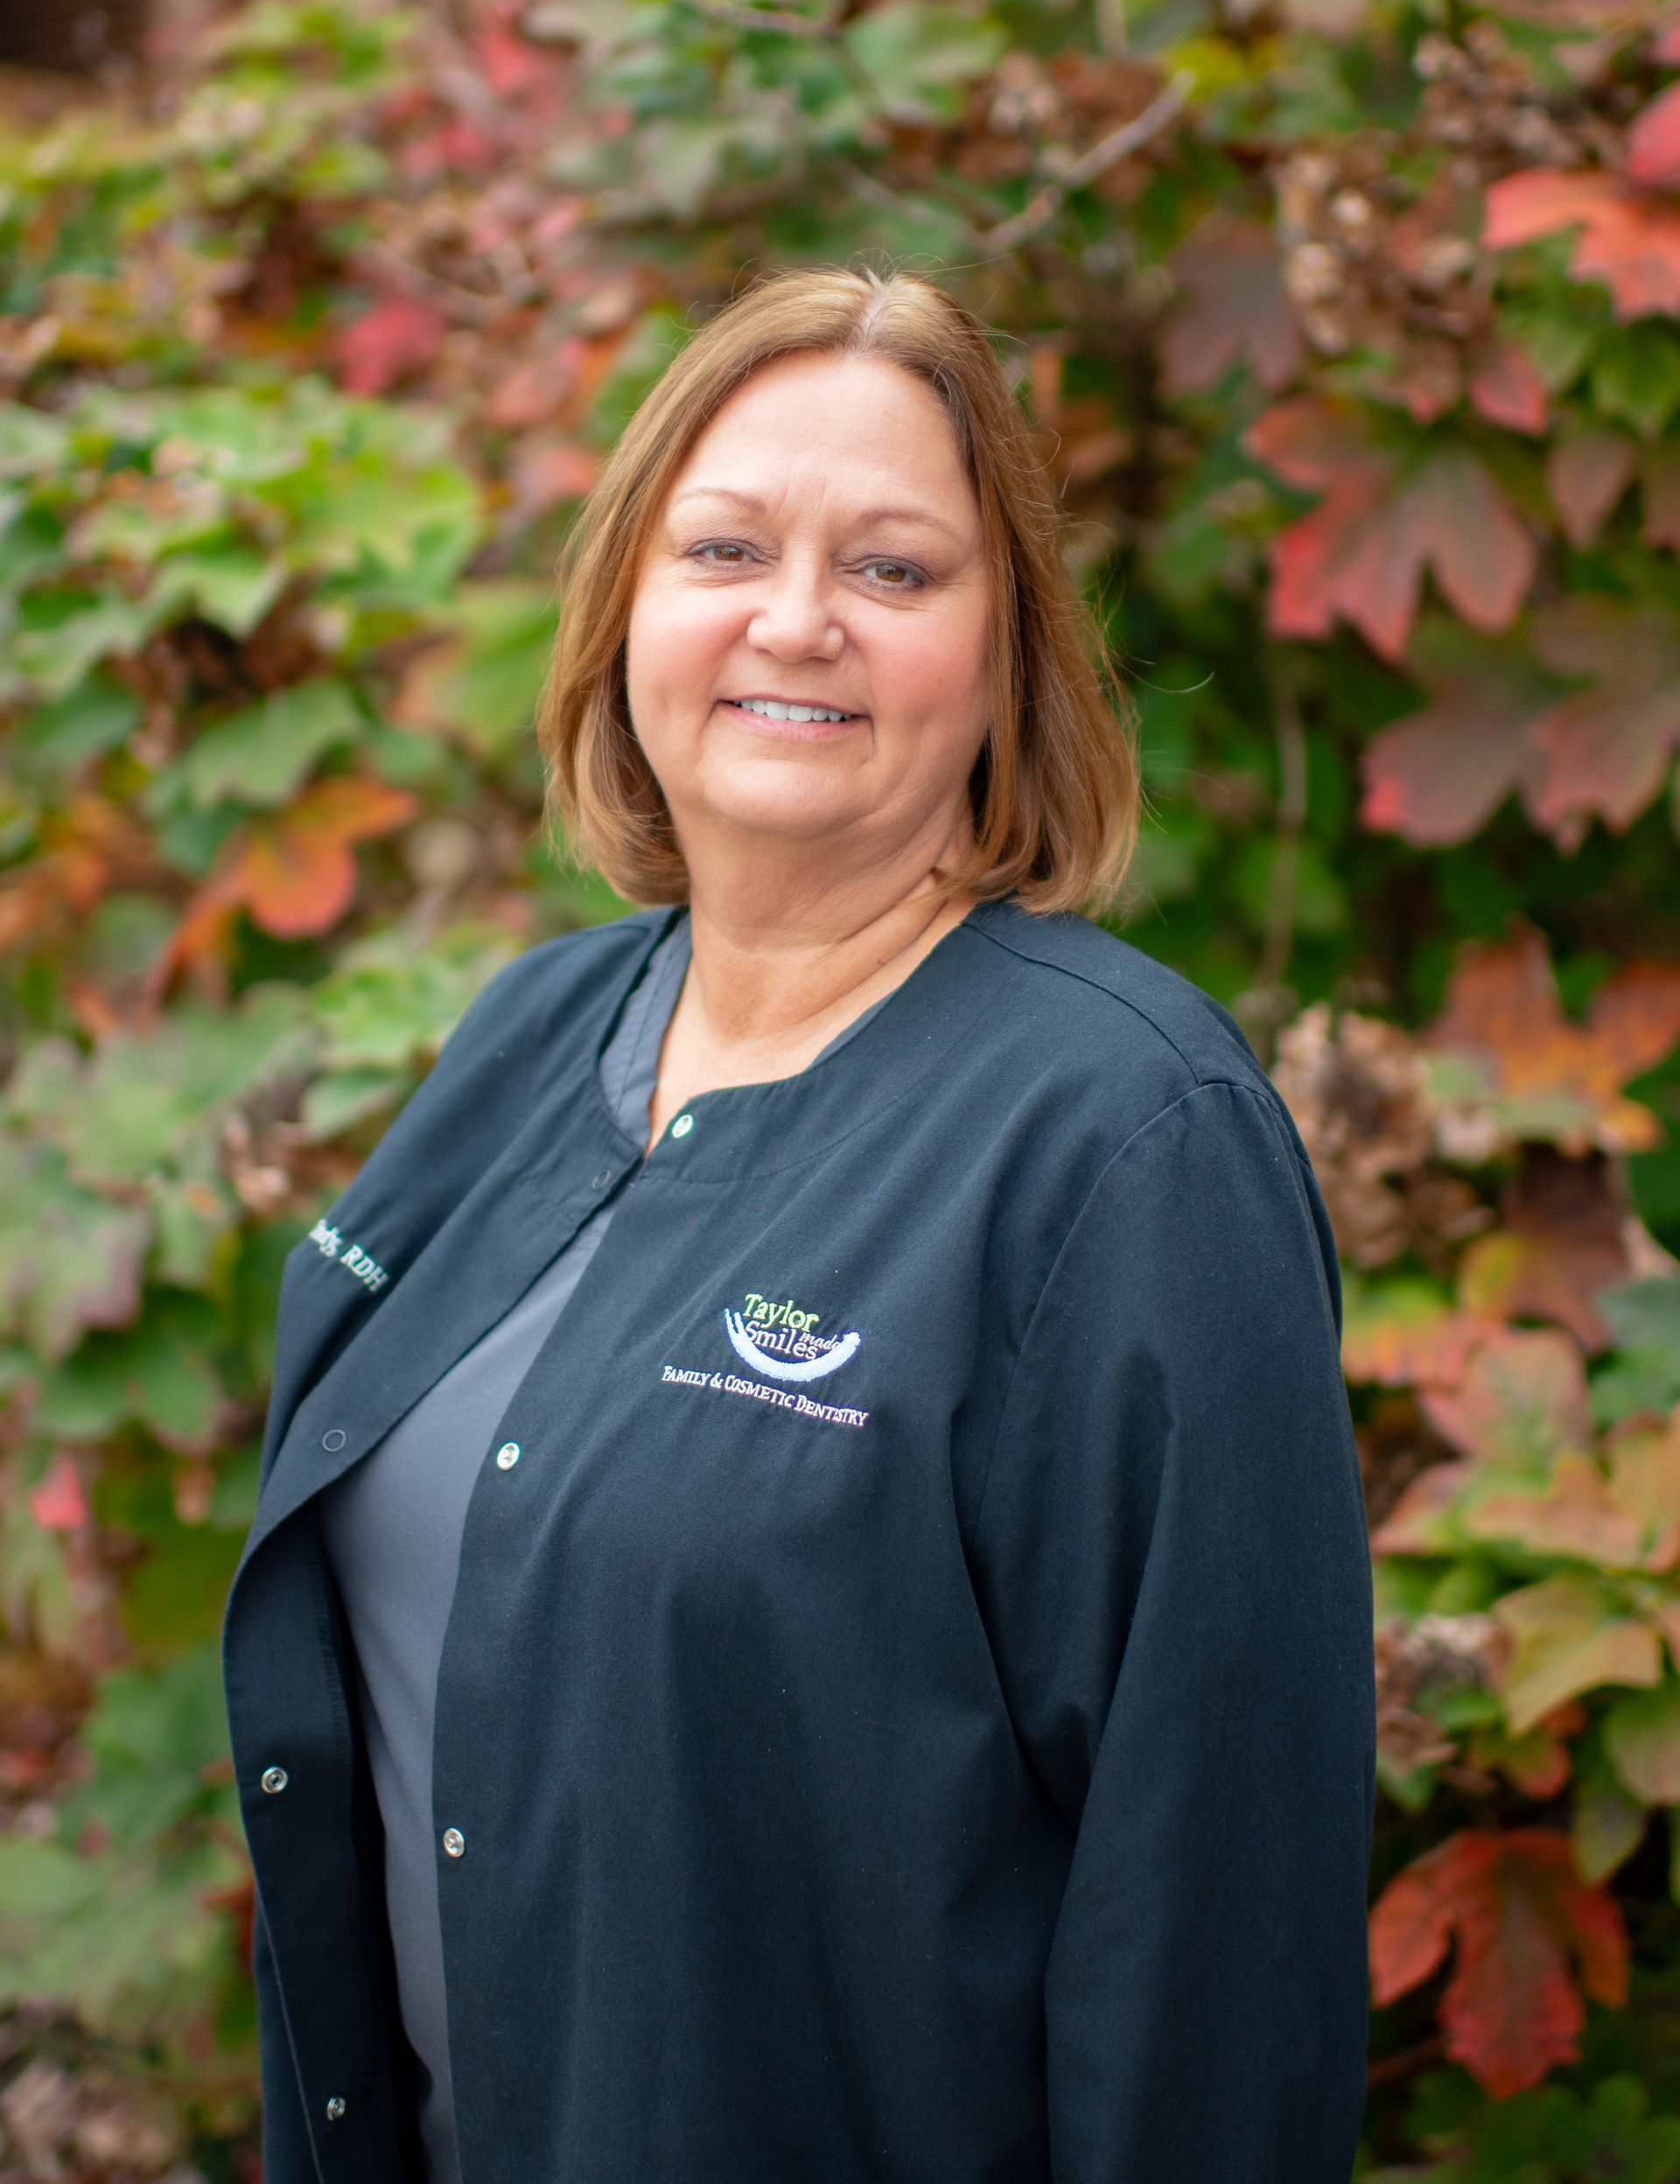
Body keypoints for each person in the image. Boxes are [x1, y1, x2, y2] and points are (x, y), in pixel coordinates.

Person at [222, 266, 1375, 2184]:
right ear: (627, 610)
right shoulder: (530, 1033)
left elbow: (1214, 1928)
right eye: (727, 544)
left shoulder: (1128, 1139)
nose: (795, 618)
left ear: (1008, 655)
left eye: (897, 569)